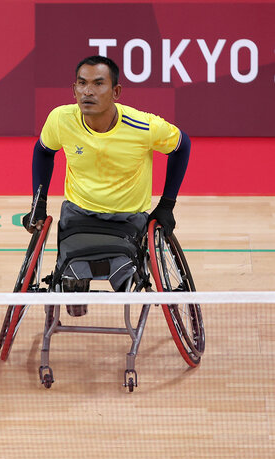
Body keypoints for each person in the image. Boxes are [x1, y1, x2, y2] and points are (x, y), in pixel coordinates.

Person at [23, 55, 190, 316]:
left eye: (98, 84)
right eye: (82, 83)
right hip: (77, 216)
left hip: (127, 220)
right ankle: (76, 282)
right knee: (71, 285)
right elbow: (44, 151)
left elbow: (182, 145)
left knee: (125, 281)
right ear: (74, 89)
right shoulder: (61, 119)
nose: (88, 91)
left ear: (116, 92)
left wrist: (167, 205)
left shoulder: (143, 126)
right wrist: (39, 203)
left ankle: (117, 278)